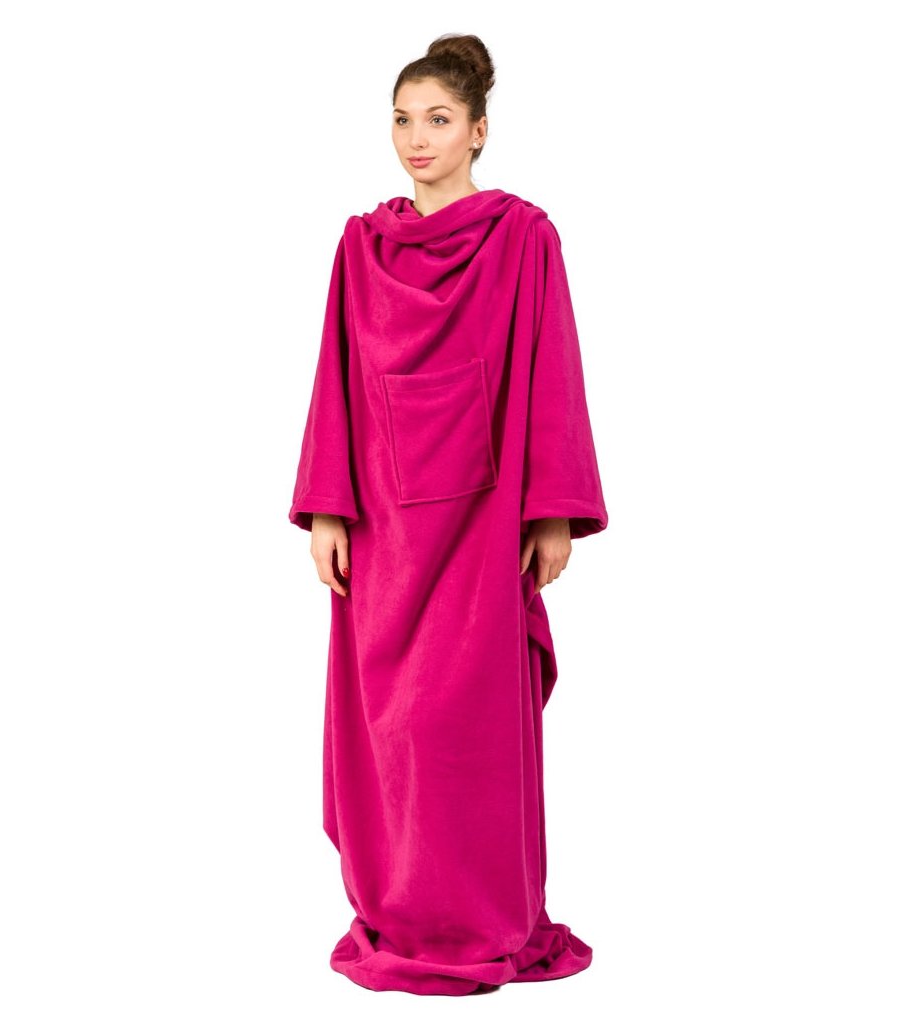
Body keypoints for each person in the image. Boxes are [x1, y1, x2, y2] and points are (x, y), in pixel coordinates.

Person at [288, 32, 609, 996]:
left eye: (437, 119)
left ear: (478, 131)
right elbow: (337, 377)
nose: (416, 139)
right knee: (393, 730)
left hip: (487, 523)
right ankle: (399, 909)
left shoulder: (523, 237)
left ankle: (487, 915)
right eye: (402, 119)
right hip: (381, 527)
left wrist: (552, 512)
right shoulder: (361, 246)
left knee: (468, 731)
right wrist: (327, 510)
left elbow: (552, 367)